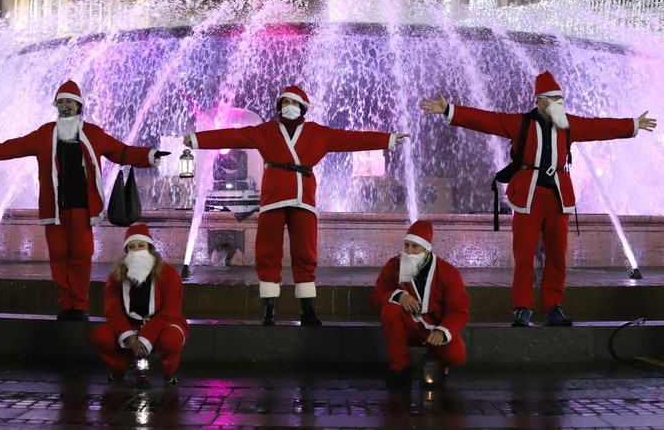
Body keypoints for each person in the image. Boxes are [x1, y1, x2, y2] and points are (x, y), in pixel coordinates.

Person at [420, 71, 657, 327]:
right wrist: (449, 110)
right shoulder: (521, 123)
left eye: (561, 99)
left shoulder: (568, 124)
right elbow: (487, 120)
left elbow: (598, 126)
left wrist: (633, 124)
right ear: (541, 101)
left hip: (558, 197)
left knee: (557, 255)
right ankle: (522, 308)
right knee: (524, 255)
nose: (560, 103)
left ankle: (553, 306)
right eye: (555, 99)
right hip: (528, 197)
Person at [184, 85, 410, 326]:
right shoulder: (266, 131)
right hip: (273, 198)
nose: (288, 108)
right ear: (278, 107)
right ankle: (269, 310)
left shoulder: (317, 133)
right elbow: (232, 136)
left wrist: (388, 139)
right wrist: (197, 140)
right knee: (267, 252)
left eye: (293, 104)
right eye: (284, 103)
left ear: (303, 108)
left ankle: (307, 310)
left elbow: (351, 138)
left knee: (305, 252)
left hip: (303, 200)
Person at [0, 80, 170, 321]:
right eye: (60, 102)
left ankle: (80, 305)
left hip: (83, 208)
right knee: (59, 256)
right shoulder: (44, 134)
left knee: (81, 256)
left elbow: (121, 152)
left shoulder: (93, 134)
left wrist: (149, 155)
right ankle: (66, 304)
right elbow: (10, 148)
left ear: (79, 105)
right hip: (55, 209)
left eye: (69, 102)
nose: (64, 106)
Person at [371, 220, 469, 388]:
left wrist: (442, 331)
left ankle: (435, 357)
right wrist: (398, 296)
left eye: (415, 247)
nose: (409, 252)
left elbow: (459, 311)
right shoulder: (393, 266)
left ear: (427, 250)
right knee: (390, 310)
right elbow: (376, 297)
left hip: (434, 327)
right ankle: (400, 367)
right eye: (406, 245)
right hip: (407, 325)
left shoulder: (448, 272)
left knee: (457, 355)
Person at [90, 223, 189, 386]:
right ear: (126, 252)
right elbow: (112, 310)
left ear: (149, 248)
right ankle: (122, 365)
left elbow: (170, 311)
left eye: (141, 246)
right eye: (131, 247)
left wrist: (145, 338)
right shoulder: (117, 276)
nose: (136, 251)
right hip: (131, 325)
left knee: (171, 340)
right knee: (100, 335)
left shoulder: (169, 274)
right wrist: (130, 337)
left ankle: (170, 372)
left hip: (163, 323)